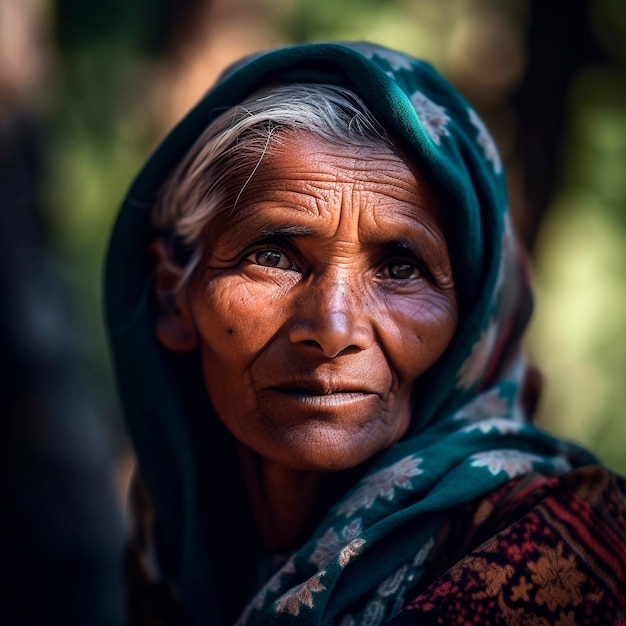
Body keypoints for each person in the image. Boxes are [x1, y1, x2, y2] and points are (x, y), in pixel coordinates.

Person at [103, 42, 626, 625]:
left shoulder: (557, 546)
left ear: (472, 320)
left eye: (401, 267)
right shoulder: (173, 530)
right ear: (173, 294)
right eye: (272, 255)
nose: (333, 330)